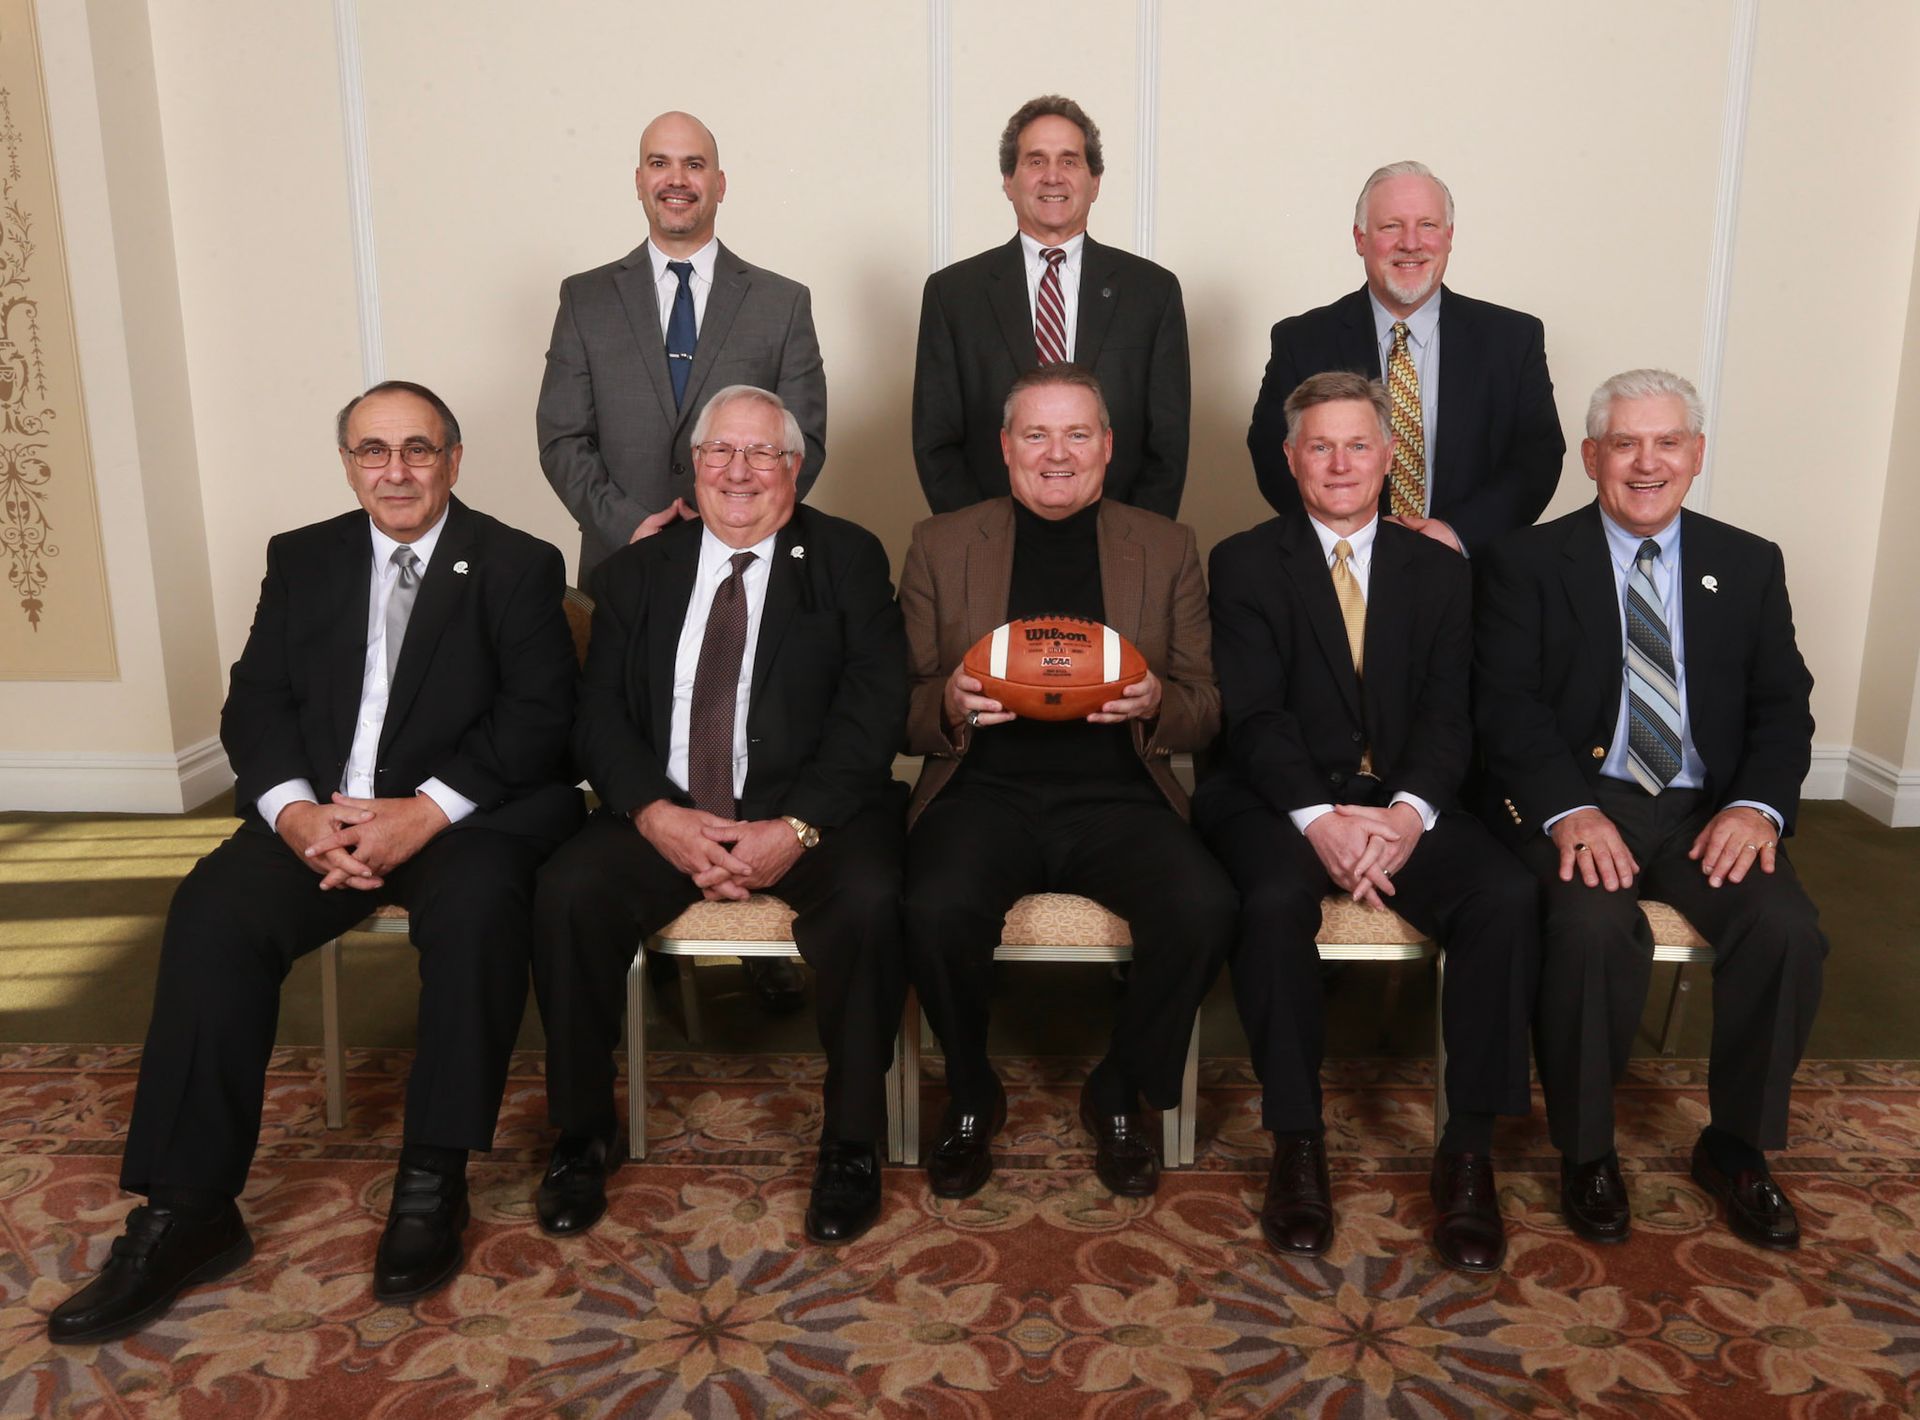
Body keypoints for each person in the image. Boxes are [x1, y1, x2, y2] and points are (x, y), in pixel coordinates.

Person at [47, 382, 582, 1342]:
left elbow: (540, 716)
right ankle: (188, 1209)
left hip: (464, 818)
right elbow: (255, 704)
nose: (395, 471)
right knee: (212, 913)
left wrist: (423, 813)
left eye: (417, 449)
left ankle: (432, 1177)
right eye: (373, 451)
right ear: (347, 464)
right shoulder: (303, 558)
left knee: (478, 913)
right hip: (323, 817)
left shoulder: (518, 562)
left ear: (454, 459)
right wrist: (296, 816)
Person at [529, 384, 907, 1247]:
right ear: (694, 466)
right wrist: (653, 814)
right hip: (665, 809)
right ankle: (582, 1133)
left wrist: (797, 827)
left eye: (762, 452)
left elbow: (873, 709)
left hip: (812, 813)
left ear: (795, 467)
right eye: (720, 452)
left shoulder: (848, 558)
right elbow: (597, 716)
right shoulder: (634, 572)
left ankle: (852, 1142)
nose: (740, 471)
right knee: (567, 893)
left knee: (873, 901)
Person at [1474, 368, 1827, 1250]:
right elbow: (1506, 709)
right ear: (1591, 456)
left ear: (1696, 455)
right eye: (1625, 443)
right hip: (1588, 799)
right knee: (1592, 930)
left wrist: (1756, 809)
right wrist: (1565, 810)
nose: (1646, 463)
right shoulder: (1525, 562)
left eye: (1667, 442)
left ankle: (1736, 1146)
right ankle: (1587, 1150)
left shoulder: (1749, 562)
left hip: (1709, 808)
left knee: (1786, 929)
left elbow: (1783, 706)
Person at [1198, 371, 1536, 1274]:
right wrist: (1319, 820)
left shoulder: (1440, 569)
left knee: (1504, 895)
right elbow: (1253, 717)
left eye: (1358, 445)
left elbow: (1450, 715)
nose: (1341, 463)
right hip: (1278, 800)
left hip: (1402, 800)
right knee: (1272, 903)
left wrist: (1408, 815)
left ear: (1389, 457)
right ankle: (1297, 1140)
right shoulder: (1242, 562)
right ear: (1290, 459)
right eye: (1321, 446)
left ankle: (1467, 1153)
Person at [900, 363, 1235, 1202]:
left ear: (1108, 446)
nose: (1058, 454)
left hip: (1119, 798)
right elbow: (892, 703)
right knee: (933, 906)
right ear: (1005, 446)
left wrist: (1159, 701)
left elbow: (1207, 705)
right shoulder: (941, 543)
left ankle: (1119, 1088)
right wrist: (946, 701)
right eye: (1037, 434)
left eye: (1077, 434)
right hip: (982, 792)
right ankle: (971, 1089)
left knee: (1204, 906)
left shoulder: (1167, 546)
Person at [538, 110, 824, 1013]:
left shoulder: (779, 300)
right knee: (637, 737)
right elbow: (561, 436)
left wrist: (730, 517)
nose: (676, 178)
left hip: (745, 565)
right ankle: (649, 916)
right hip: (626, 563)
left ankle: (752, 926)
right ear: (638, 180)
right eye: (659, 163)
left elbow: (806, 437)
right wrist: (635, 527)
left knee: (741, 733)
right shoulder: (587, 297)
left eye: (693, 163)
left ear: (719, 182)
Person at [1246, 161, 1564, 554]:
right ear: (1360, 238)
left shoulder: (1512, 339)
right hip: (1343, 569)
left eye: (1427, 225)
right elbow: (1274, 455)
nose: (1411, 243)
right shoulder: (1302, 340)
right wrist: (1353, 538)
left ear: (1449, 236)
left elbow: (1537, 459)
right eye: (1391, 226)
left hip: (1475, 571)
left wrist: (1456, 534)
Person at [913, 95, 1189, 518]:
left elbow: (1167, 444)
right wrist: (979, 537)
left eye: (1069, 161)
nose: (1053, 176)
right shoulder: (952, 295)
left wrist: (1134, 539)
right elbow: (936, 442)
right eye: (1036, 161)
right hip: (988, 535)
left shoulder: (1152, 292)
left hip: (1121, 536)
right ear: (1009, 180)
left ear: (1095, 181)